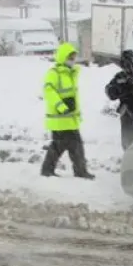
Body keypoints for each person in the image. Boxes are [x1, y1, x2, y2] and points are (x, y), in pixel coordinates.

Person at [40, 43, 95, 179]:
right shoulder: (54, 73)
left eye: (74, 57)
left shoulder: (70, 73)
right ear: (63, 57)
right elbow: (49, 91)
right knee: (61, 146)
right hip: (60, 119)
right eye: (70, 57)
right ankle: (50, 171)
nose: (73, 59)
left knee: (72, 146)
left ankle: (77, 171)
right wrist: (61, 106)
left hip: (70, 119)